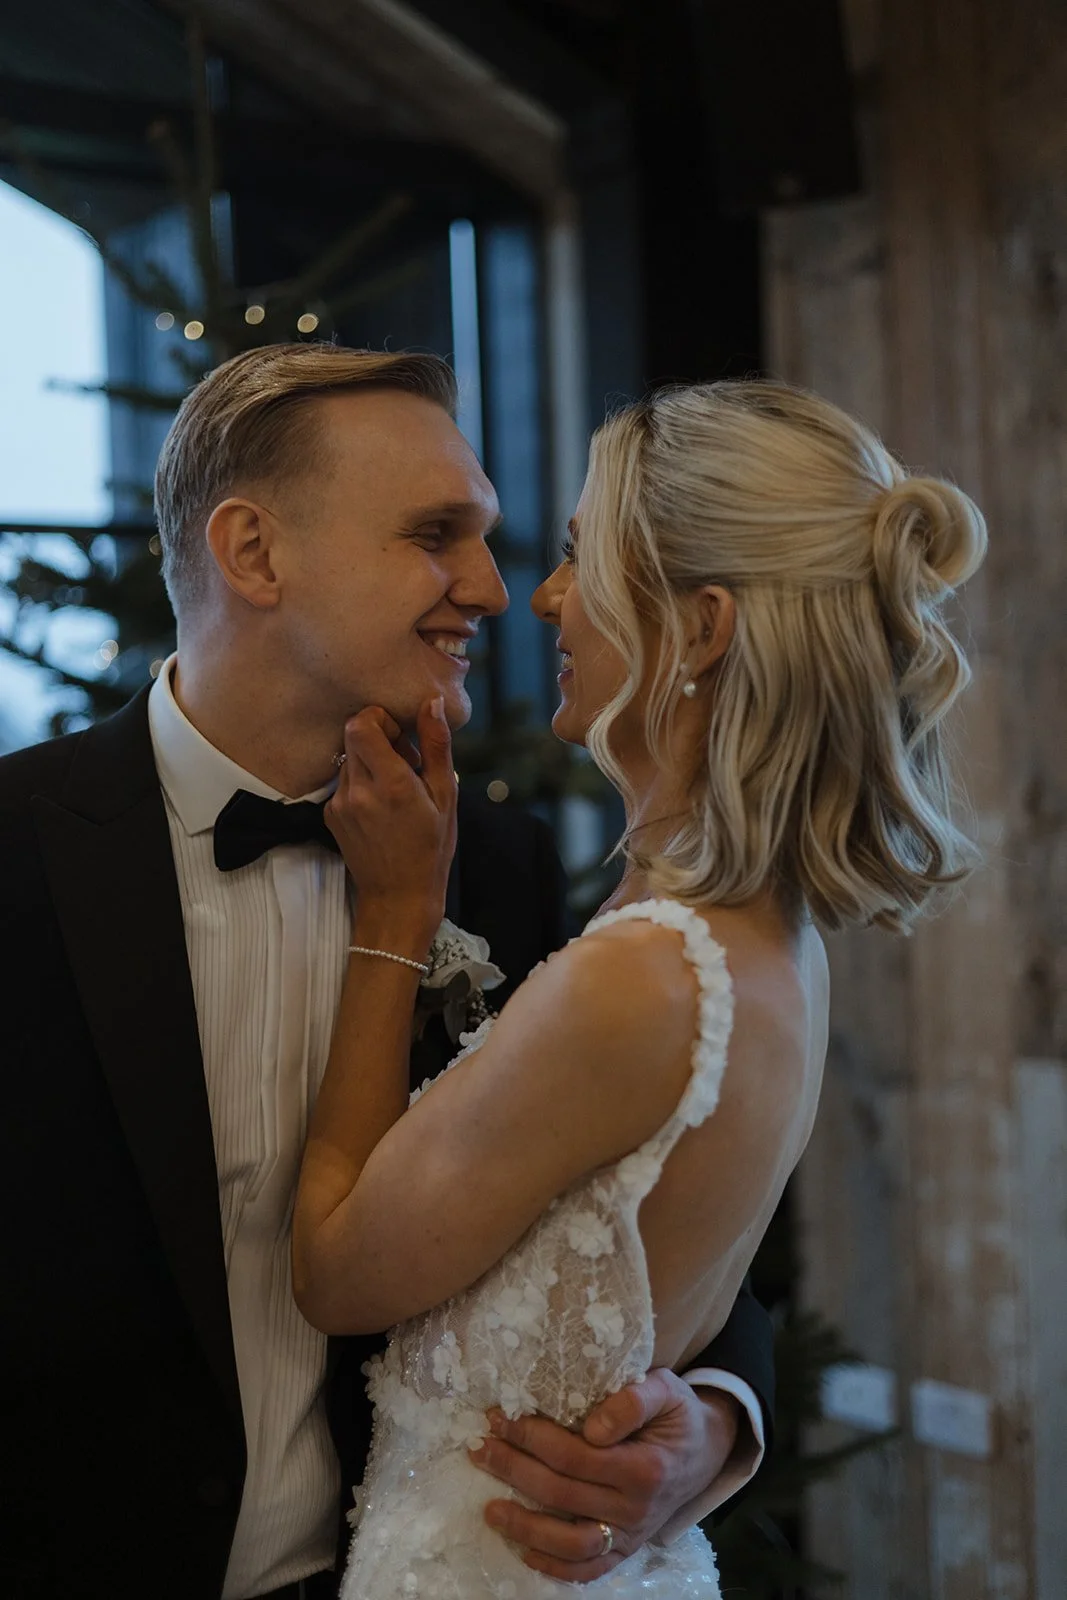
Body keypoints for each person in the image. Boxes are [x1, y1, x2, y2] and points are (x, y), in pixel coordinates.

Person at [0, 345, 775, 1600]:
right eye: (434, 535)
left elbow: (656, 1188)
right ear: (252, 554)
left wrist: (715, 1418)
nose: (487, 585)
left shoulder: (501, 867)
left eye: (484, 537)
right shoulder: (15, 854)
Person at [291, 379, 988, 1597]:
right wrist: (710, 1416)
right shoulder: (765, 942)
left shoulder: (641, 977)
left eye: (577, 559)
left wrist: (398, 913)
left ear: (701, 628)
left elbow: (338, 1272)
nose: (541, 598)